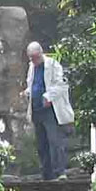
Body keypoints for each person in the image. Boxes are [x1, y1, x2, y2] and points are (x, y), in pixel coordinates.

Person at [20, 41, 74, 181]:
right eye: (31, 58)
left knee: (55, 141)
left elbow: (61, 85)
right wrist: (27, 92)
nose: (33, 60)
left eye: (36, 57)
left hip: (50, 111)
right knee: (41, 143)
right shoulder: (31, 67)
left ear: (41, 53)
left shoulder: (53, 65)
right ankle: (47, 173)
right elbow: (33, 84)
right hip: (36, 110)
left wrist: (48, 96)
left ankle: (60, 172)